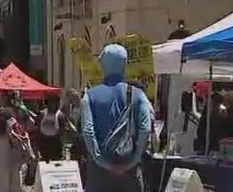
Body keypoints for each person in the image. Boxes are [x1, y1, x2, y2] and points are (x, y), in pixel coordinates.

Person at [80, 44, 152, 192]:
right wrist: (134, 160)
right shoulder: (138, 95)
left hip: (99, 174)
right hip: (129, 172)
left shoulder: (89, 96)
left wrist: (101, 161)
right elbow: (145, 129)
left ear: (103, 65)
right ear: (124, 65)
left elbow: (88, 131)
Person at [0, 97, 34, 192]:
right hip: (11, 154)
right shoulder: (17, 114)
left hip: (6, 154)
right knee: (11, 184)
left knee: (7, 184)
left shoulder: (2, 117)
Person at [38, 94, 65, 162]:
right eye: (50, 102)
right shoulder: (43, 113)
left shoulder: (60, 115)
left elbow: (62, 129)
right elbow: (38, 126)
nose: (51, 104)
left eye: (53, 102)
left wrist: (57, 136)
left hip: (55, 143)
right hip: (44, 142)